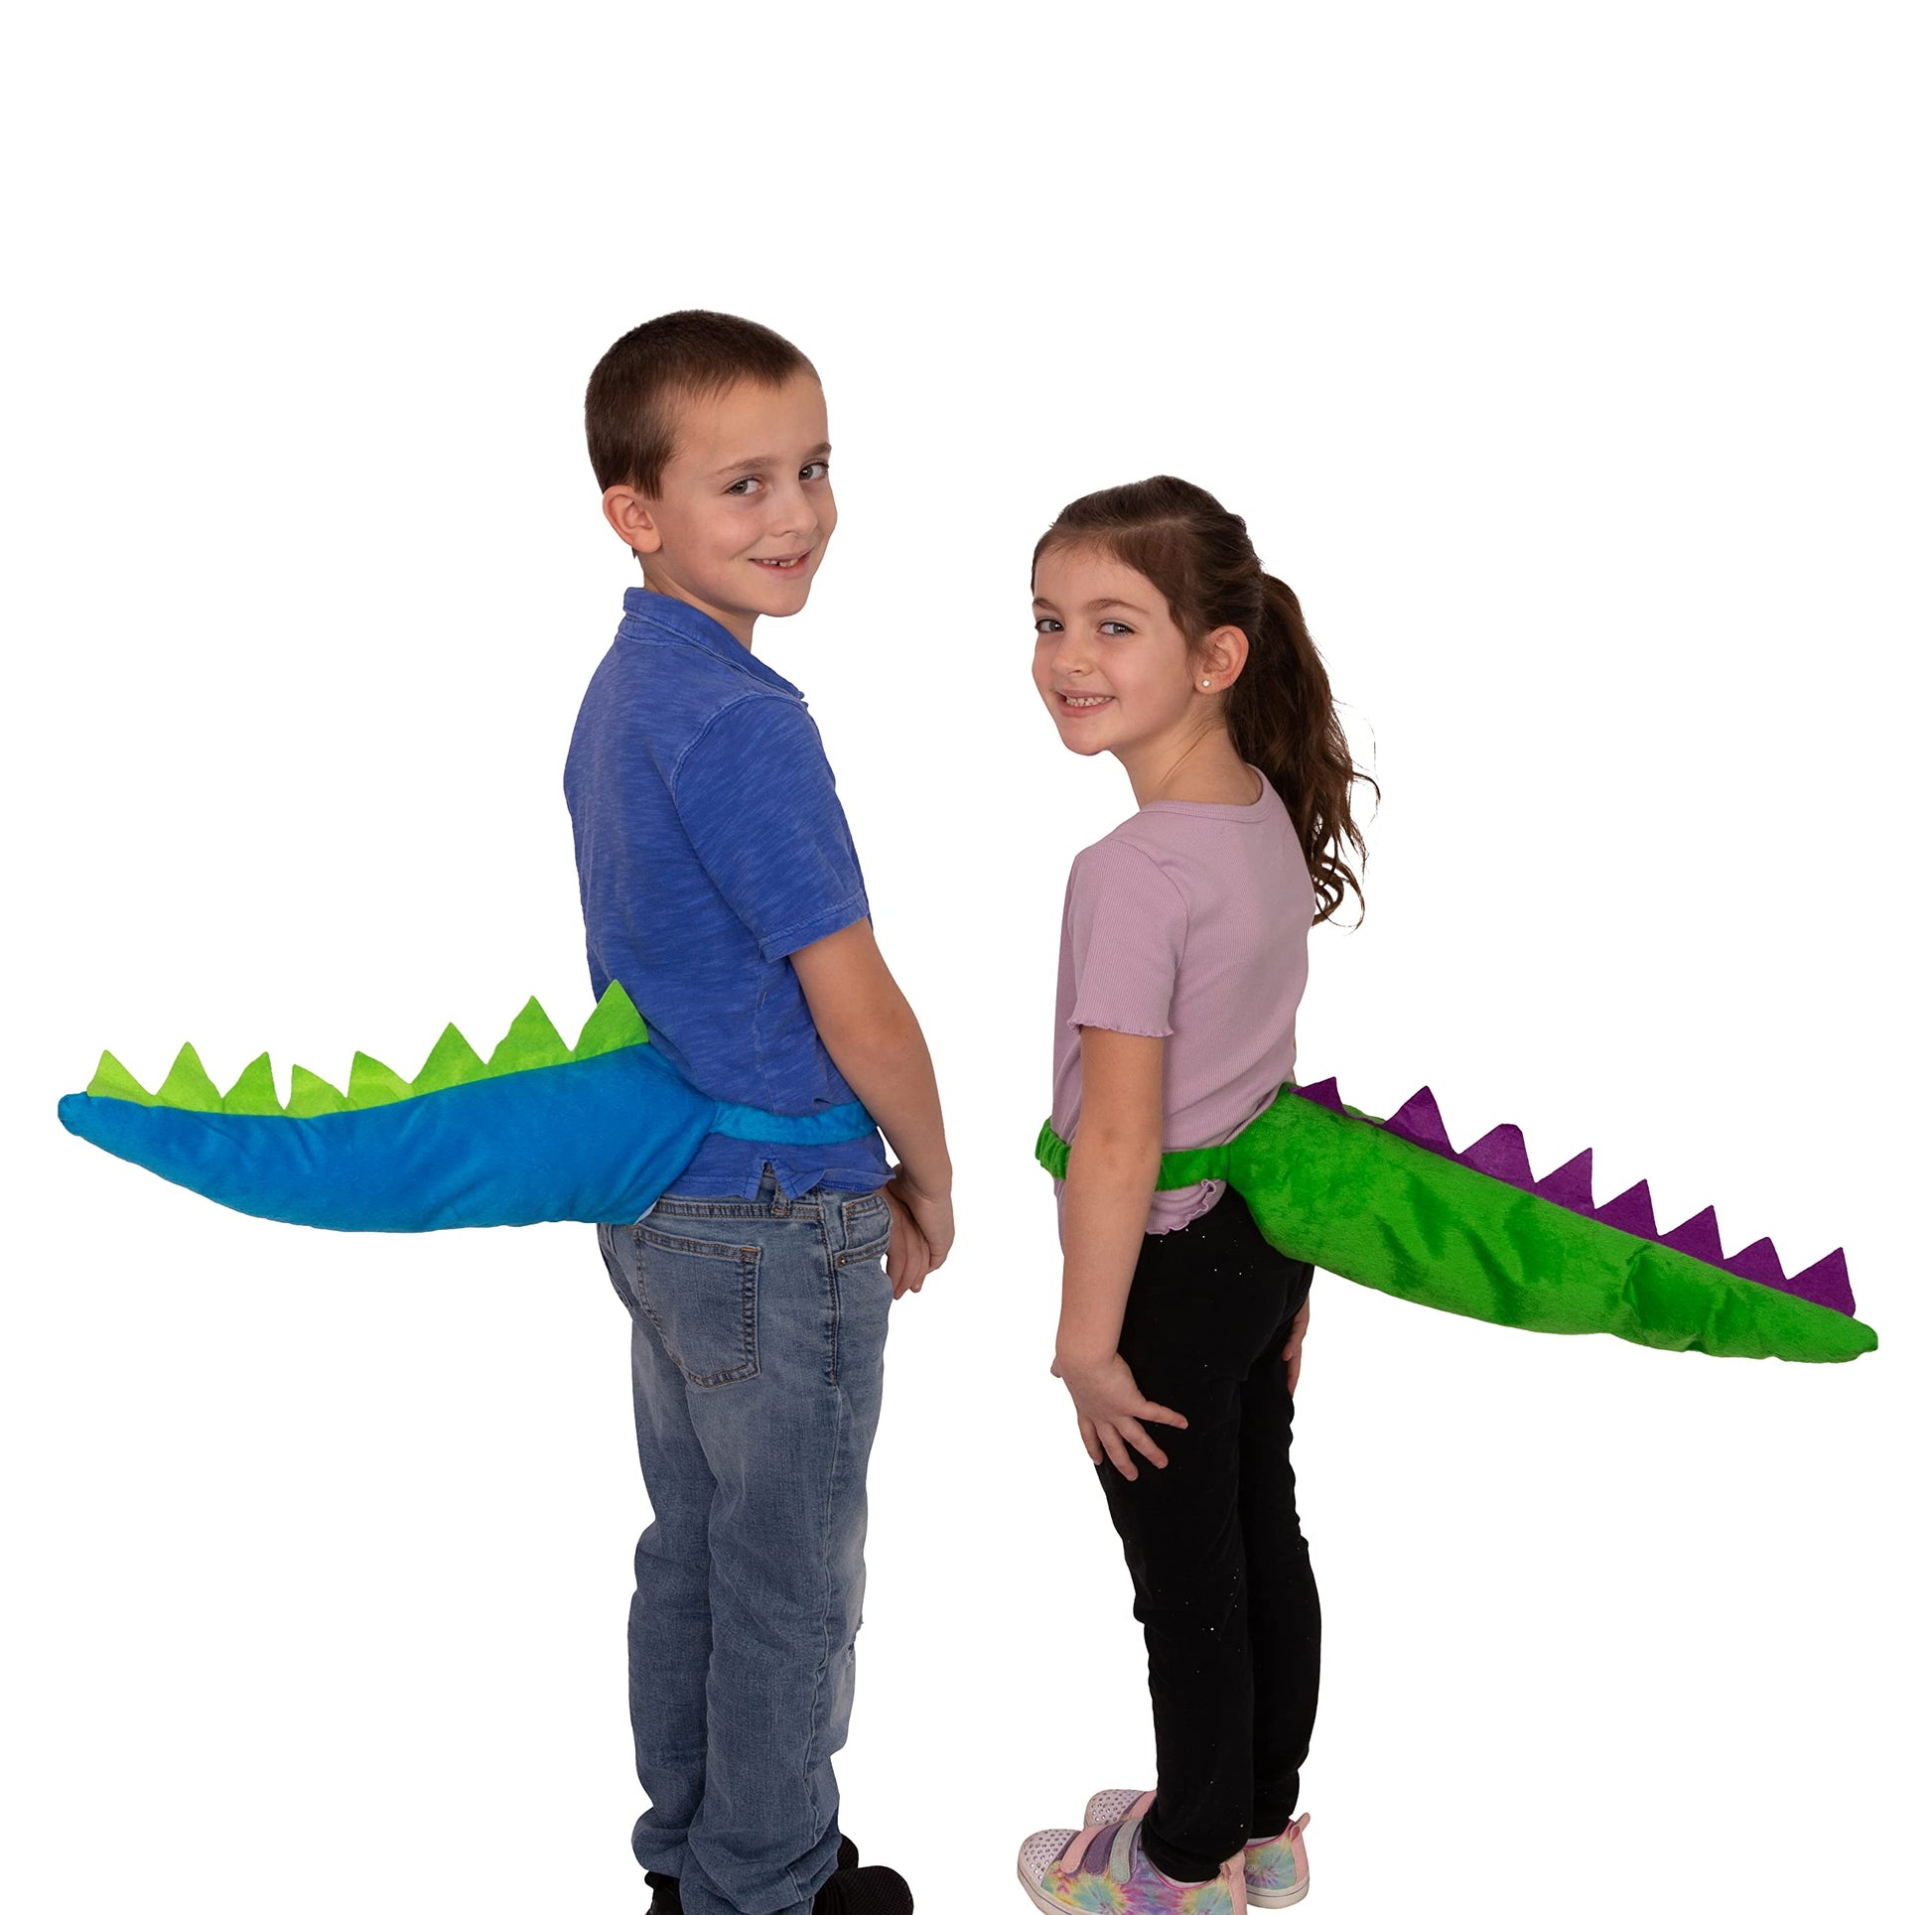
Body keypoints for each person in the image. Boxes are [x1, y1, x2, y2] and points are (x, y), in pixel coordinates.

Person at [565, 311, 953, 1915]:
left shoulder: (630, 689)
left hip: (662, 1198)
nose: (796, 513)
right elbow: (852, 999)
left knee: (698, 1544)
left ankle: (696, 1852)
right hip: (779, 1213)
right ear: (635, 511)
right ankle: (769, 1886)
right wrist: (925, 1172)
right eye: (743, 483)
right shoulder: (743, 723)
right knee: (789, 1575)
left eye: (813, 467)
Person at [1015, 477, 1372, 1914]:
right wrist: (1290, 1277)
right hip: (1255, 1239)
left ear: (1215, 654)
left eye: (1114, 624)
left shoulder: (1133, 872)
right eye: (1047, 621)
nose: (1066, 657)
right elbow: (1258, 1064)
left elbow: (1118, 1139)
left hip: (1162, 1267)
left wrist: (1086, 1343)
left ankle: (1181, 1865)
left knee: (1187, 1579)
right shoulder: (1257, 815)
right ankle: (1260, 1822)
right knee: (1258, 1528)